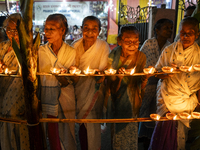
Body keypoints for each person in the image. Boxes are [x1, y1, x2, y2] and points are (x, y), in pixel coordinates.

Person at [149, 17, 200, 150]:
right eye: (182, 32)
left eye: (191, 32)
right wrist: (166, 74)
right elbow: (157, 72)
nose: (186, 36)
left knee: (180, 135)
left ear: (197, 34)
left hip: (186, 100)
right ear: (178, 32)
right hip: (167, 98)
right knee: (164, 133)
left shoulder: (199, 54)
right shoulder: (169, 50)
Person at [38, 14, 76, 150]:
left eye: (52, 29)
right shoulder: (40, 51)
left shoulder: (71, 52)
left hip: (65, 98)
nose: (47, 32)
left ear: (63, 30)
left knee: (67, 132)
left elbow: (71, 80)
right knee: (52, 133)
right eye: (45, 28)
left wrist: (60, 76)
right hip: (47, 97)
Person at [106, 25, 148, 150]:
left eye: (136, 41)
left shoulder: (141, 57)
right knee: (117, 134)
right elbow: (109, 82)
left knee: (130, 132)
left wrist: (145, 78)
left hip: (132, 100)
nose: (132, 45)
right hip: (115, 100)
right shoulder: (113, 56)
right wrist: (118, 78)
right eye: (128, 41)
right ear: (119, 41)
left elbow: (141, 85)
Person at [71, 16, 110, 150]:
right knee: (82, 123)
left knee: (92, 123)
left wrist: (99, 75)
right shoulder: (75, 45)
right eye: (86, 28)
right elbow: (73, 66)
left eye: (94, 29)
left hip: (95, 90)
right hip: (79, 89)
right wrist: (74, 72)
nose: (90, 32)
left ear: (99, 31)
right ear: (81, 29)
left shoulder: (103, 46)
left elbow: (104, 70)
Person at [138, 18, 173, 149]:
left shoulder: (170, 46)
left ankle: (152, 141)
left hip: (162, 85)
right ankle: (141, 138)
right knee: (143, 111)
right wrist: (156, 72)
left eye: (171, 28)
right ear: (157, 30)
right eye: (166, 28)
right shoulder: (149, 44)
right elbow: (142, 63)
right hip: (148, 84)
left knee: (156, 114)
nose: (169, 31)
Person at [0, 13, 30, 150]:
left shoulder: (26, 49)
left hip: (18, 93)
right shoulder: (2, 46)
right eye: (8, 29)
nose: (11, 33)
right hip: (3, 89)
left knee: (14, 119)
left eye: (15, 30)